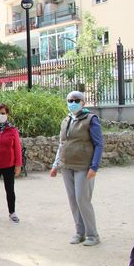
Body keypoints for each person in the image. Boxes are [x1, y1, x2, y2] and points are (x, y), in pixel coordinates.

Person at [49, 91, 103, 246]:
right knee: (73, 201)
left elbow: (99, 144)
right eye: (70, 100)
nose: (73, 102)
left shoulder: (91, 119)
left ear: (83, 102)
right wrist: (55, 165)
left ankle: (92, 235)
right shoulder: (66, 120)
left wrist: (94, 167)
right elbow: (62, 144)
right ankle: (80, 233)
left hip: (84, 166)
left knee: (82, 199)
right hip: (67, 166)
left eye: (76, 100)